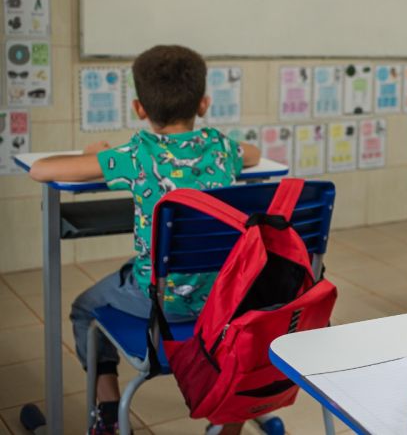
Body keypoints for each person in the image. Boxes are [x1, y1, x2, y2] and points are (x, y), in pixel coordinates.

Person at [30, 45, 260, 435]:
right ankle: (228, 427)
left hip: (160, 303)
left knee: (84, 308)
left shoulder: (137, 153)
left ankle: (107, 415)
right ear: (203, 104)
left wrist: (96, 153)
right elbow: (253, 154)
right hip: (225, 301)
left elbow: (41, 170)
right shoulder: (222, 149)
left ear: (139, 109)